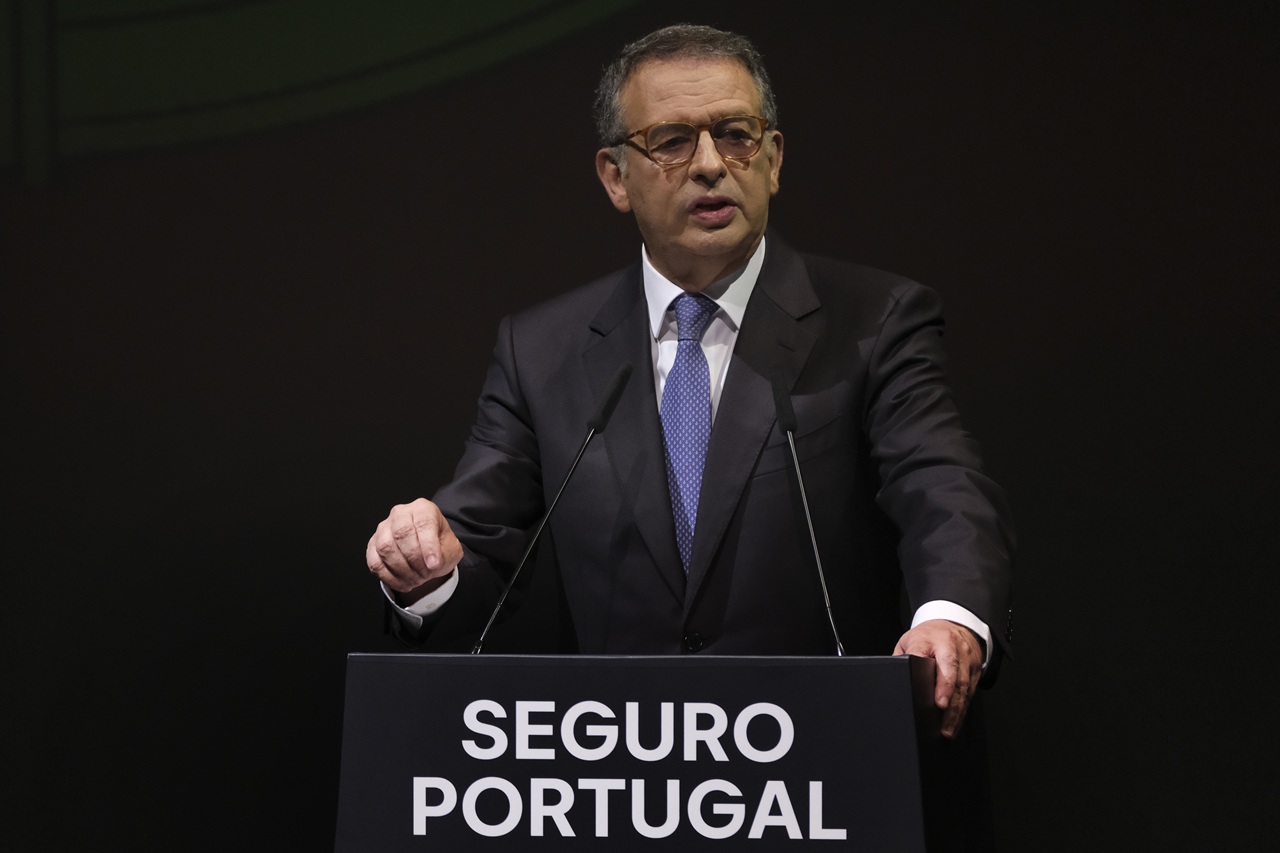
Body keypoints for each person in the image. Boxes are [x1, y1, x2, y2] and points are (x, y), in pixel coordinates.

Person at [365, 24, 1013, 741]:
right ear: (615, 176)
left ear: (773, 159)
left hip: (829, 761)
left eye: (736, 134)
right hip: (625, 776)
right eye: (672, 141)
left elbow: (942, 489)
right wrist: (423, 570)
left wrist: (949, 615)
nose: (710, 164)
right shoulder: (541, 348)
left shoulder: (875, 321)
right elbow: (473, 544)